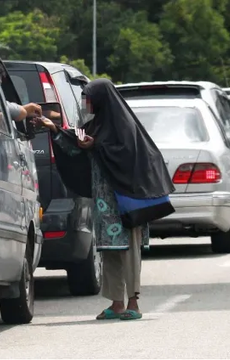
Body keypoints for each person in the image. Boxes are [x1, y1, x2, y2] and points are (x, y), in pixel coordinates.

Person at [33, 78, 175, 321]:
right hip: (104, 202)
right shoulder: (96, 125)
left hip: (126, 200)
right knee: (109, 250)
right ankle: (116, 303)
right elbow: (78, 142)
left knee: (129, 250)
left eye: (89, 98)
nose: (86, 103)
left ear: (101, 99)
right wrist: (53, 128)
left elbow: (126, 153)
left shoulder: (125, 127)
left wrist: (95, 145)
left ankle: (133, 303)